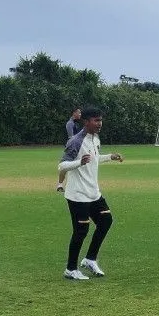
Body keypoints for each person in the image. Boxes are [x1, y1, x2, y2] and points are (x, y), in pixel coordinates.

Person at [59, 106, 123, 280]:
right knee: (81, 231)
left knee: (106, 221)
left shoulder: (95, 138)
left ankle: (90, 259)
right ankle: (70, 269)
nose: (100, 123)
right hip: (78, 195)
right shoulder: (75, 141)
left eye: (100, 120)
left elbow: (94, 159)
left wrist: (109, 157)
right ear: (86, 122)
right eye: (96, 120)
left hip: (93, 193)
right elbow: (62, 165)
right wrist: (78, 162)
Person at [56, 108, 82, 192]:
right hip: (72, 148)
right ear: (74, 113)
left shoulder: (77, 123)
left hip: (78, 147)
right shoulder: (70, 123)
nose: (80, 114)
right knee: (64, 166)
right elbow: (71, 137)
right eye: (79, 112)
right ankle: (60, 185)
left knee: (79, 166)